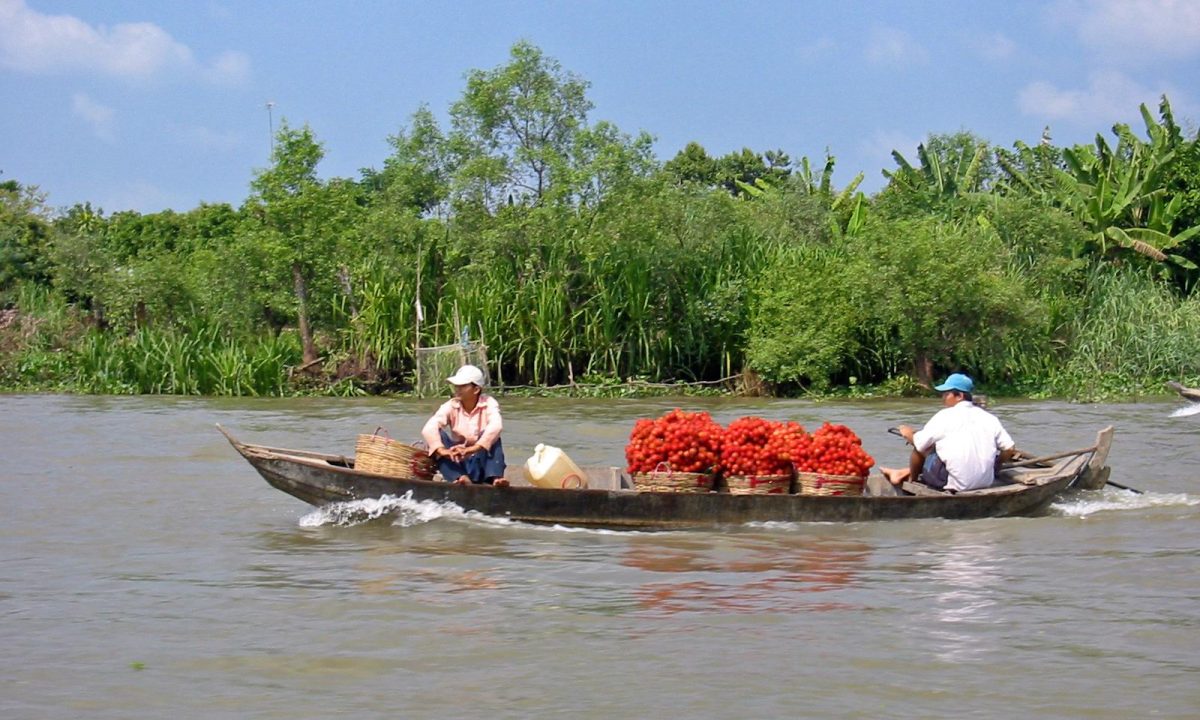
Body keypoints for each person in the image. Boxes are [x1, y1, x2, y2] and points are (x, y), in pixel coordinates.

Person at [881, 373, 1016, 493]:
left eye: (946, 394)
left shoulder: (944, 416)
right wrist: (997, 463)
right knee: (940, 450)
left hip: (954, 484)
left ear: (959, 396)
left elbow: (919, 444)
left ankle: (912, 482)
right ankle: (901, 473)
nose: (943, 398)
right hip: (985, 482)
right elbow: (1009, 449)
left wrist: (907, 433)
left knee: (922, 448)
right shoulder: (989, 418)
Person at [420, 364, 508, 487]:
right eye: (457, 386)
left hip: (480, 460)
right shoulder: (451, 405)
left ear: (476, 389)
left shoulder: (489, 403)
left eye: (462, 386)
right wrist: (443, 451)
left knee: (493, 437)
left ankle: (495, 478)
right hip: (458, 460)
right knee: (437, 438)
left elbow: (496, 426)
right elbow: (429, 428)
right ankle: (461, 477)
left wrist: (472, 449)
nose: (457, 389)